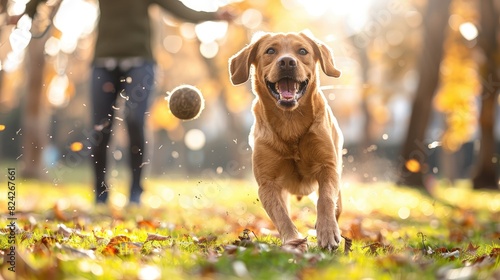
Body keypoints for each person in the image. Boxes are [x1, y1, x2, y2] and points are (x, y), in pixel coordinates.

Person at [21, 0, 233, 205]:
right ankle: (100, 193)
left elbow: (181, 9)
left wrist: (215, 15)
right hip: (104, 63)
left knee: (134, 119)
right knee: (100, 129)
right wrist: (27, 11)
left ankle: (135, 191)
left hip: (141, 63)